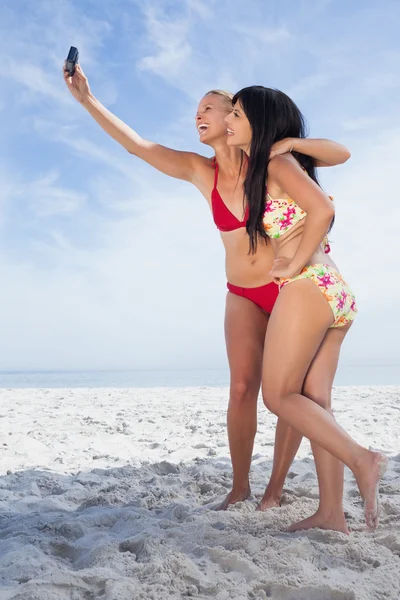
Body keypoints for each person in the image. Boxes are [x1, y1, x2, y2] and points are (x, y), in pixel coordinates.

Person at [63, 65, 351, 524]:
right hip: (242, 292)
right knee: (242, 387)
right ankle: (240, 486)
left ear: (235, 117)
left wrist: (289, 144)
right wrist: (87, 100)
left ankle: (275, 489)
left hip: (290, 288)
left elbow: (337, 156)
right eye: (196, 110)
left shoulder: (270, 164)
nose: (199, 115)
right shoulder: (202, 171)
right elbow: (138, 146)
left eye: (213, 108)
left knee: (289, 393)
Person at [225, 85, 387, 531]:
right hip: (334, 290)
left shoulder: (278, 162)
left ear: (259, 122)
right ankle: (332, 513)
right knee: (315, 401)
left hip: (309, 284)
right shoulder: (272, 165)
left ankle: (362, 458)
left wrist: (293, 263)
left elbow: (320, 209)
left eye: (236, 114)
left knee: (278, 395)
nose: (228, 122)